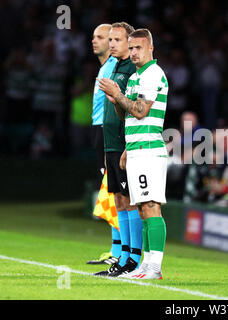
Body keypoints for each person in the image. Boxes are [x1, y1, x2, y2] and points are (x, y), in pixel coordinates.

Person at [98, 28, 168, 280]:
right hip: (137, 149)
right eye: (133, 47)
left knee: (151, 207)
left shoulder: (152, 74)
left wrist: (119, 95)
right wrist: (116, 101)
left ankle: (154, 267)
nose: (135, 52)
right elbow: (128, 114)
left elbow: (140, 110)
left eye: (139, 48)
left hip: (150, 151)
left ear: (151, 48)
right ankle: (145, 266)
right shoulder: (138, 77)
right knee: (142, 209)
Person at [93, 22, 142, 277]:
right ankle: (123, 256)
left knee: (132, 200)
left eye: (116, 40)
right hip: (111, 142)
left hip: (125, 144)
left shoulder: (134, 71)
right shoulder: (115, 67)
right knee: (120, 200)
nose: (111, 44)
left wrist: (126, 146)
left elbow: (135, 109)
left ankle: (133, 258)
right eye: (109, 40)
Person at [85, 24, 122, 266]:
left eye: (101, 37)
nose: (94, 40)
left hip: (107, 130)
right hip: (99, 129)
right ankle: (116, 250)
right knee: (110, 191)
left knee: (116, 191)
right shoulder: (105, 68)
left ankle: (121, 252)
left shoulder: (114, 66)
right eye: (94, 36)